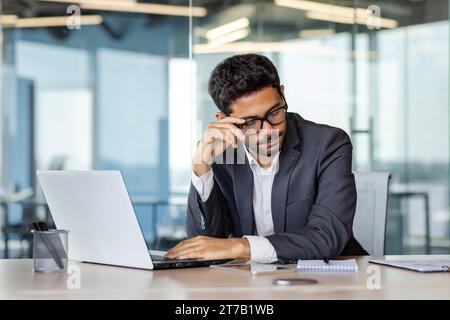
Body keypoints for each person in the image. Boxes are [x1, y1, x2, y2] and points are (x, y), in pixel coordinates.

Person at [166, 53, 367, 263]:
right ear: (224, 121)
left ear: (282, 94)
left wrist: (240, 246)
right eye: (251, 122)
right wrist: (201, 170)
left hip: (331, 283)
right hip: (254, 285)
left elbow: (326, 237)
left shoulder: (328, 145)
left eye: (274, 112)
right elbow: (204, 243)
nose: (268, 131)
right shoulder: (223, 153)